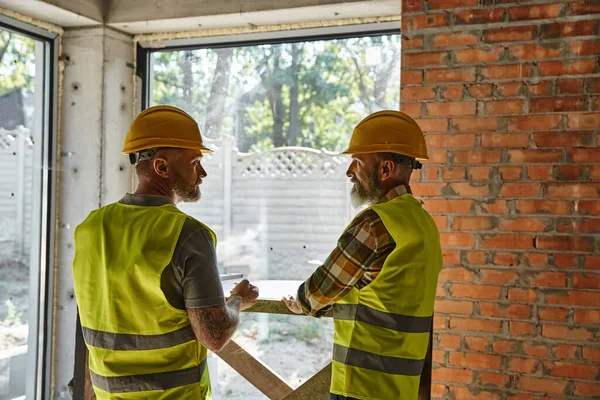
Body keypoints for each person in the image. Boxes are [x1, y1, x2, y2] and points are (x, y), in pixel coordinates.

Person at [72, 105, 258, 399]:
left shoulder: (89, 229)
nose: (203, 173)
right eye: (195, 162)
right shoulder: (189, 234)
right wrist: (238, 300)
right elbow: (214, 335)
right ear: (162, 167)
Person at [283, 110, 442, 400]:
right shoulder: (424, 223)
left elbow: (318, 292)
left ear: (385, 169)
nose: (349, 172)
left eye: (357, 162)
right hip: (401, 388)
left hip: (361, 385)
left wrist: (301, 301)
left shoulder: (374, 224)